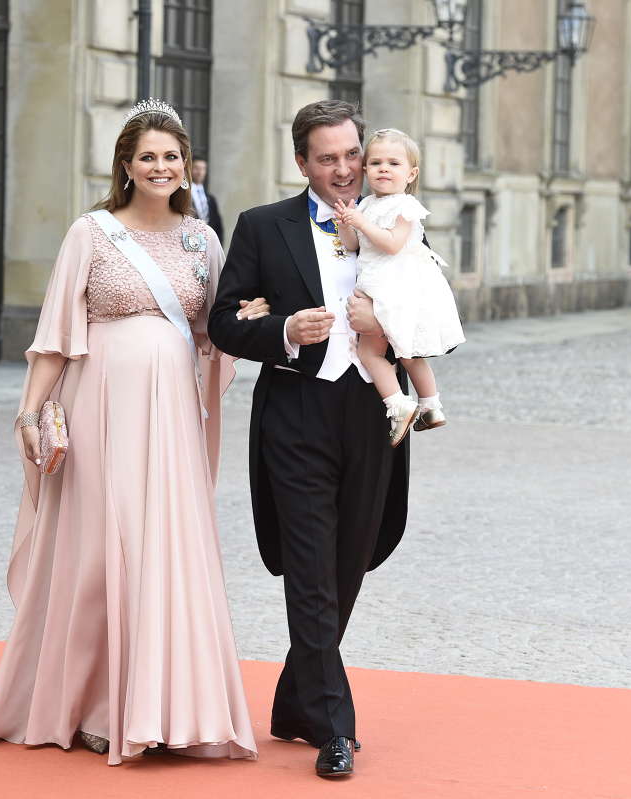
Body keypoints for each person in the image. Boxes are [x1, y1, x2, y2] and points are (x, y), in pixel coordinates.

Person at [0, 99, 266, 766]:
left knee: (165, 549)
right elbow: (54, 337)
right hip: (99, 408)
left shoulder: (204, 239)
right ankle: (95, 706)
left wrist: (256, 317)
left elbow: (219, 333)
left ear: (187, 166)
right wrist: (28, 412)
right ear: (126, 165)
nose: (161, 166)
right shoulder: (91, 233)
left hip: (173, 421)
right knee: (102, 550)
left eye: (171, 156)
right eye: (148, 156)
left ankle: (172, 709)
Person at [207, 100, 410, 779]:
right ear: (302, 162)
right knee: (311, 571)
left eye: (353, 153)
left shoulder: (396, 218)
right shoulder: (264, 227)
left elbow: (428, 302)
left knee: (350, 561)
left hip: (371, 412)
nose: (347, 169)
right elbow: (228, 318)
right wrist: (285, 330)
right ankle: (334, 726)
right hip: (295, 414)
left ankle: (297, 701)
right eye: (329, 158)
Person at [334, 128, 466, 447]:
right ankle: (430, 407)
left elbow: (392, 244)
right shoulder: (365, 205)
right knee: (405, 353)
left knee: (374, 351)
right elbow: (355, 245)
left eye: (394, 163)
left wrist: (362, 223)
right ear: (365, 170)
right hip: (377, 282)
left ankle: (401, 404)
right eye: (376, 162)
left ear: (411, 173)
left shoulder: (405, 206)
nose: (383, 169)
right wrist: (345, 224)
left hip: (395, 287)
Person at [190, 157, 224, 243]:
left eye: (203, 169)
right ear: (189, 169)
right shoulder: (183, 196)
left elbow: (218, 225)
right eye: (196, 168)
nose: (200, 172)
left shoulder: (211, 198)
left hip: (209, 244)